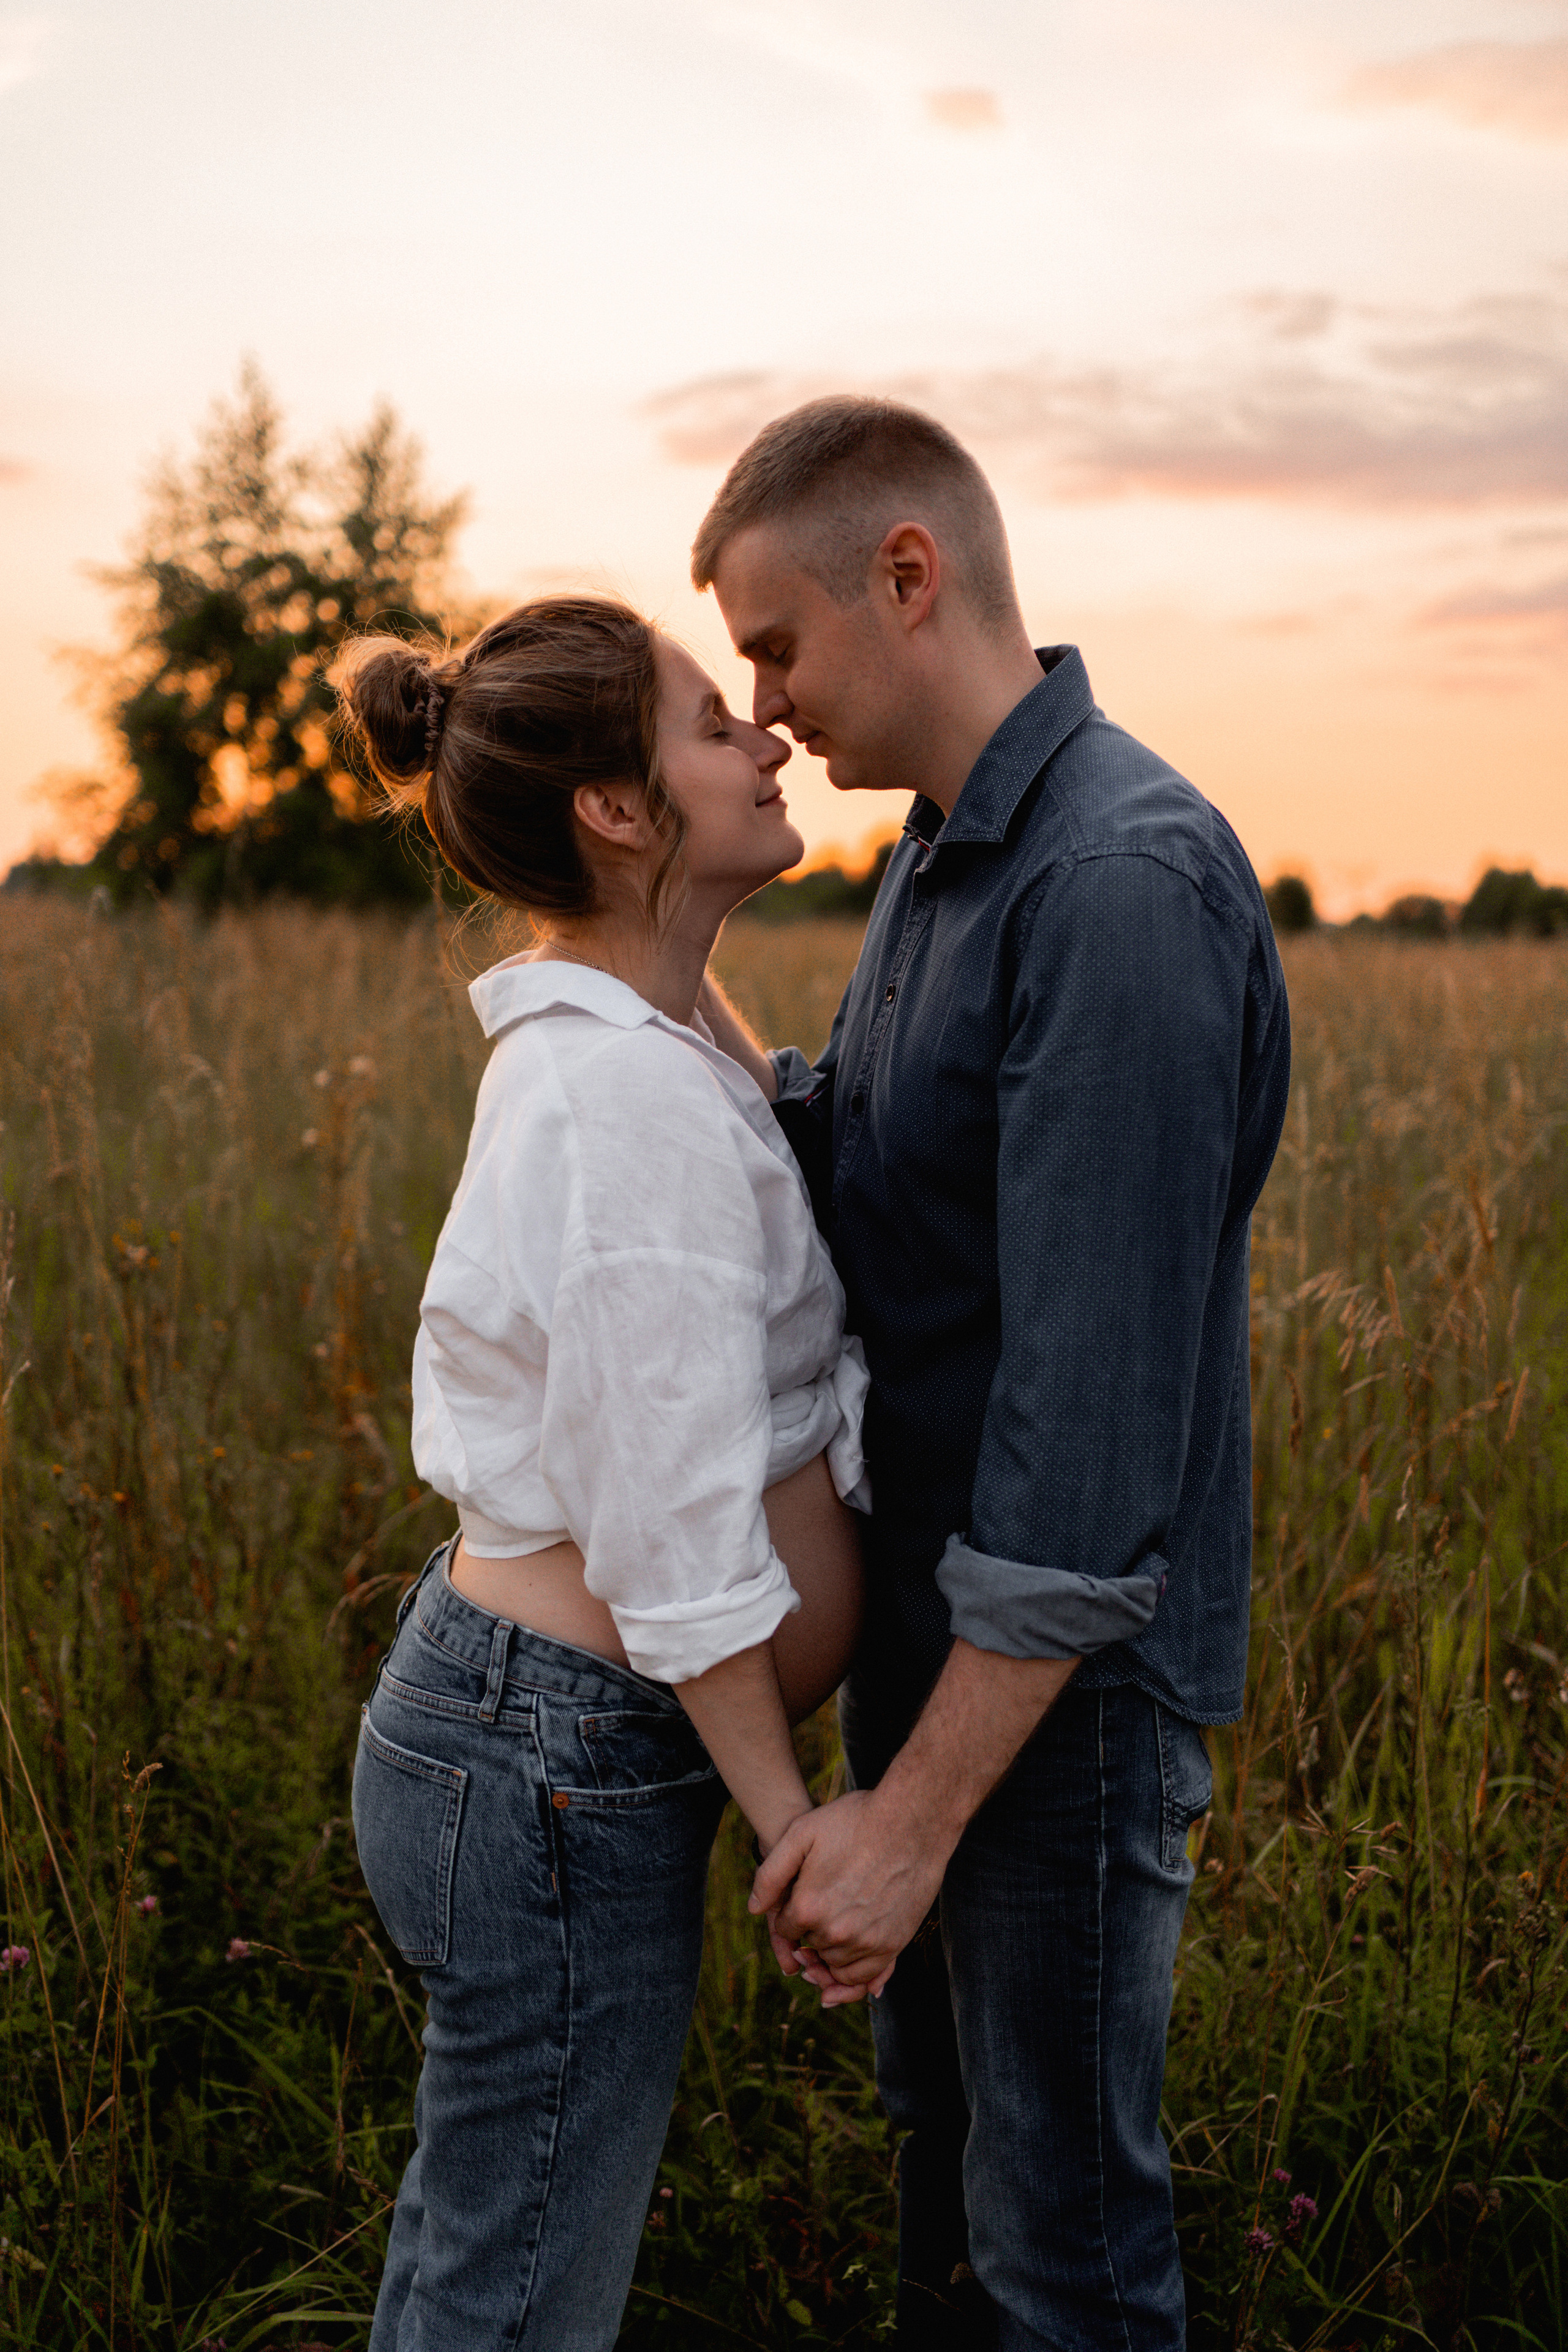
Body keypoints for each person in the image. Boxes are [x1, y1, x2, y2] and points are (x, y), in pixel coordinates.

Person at [688, 397, 1293, 2350]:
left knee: (1064, 2257)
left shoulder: (1118, 884)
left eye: (774, 646)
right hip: (942, 1657)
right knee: (950, 2211)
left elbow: (1093, 1439)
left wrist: (918, 1817)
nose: (765, 709)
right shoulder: (947, 858)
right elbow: (862, 1150)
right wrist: (633, 950)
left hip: (1060, 1703)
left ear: (910, 575)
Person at [333, 595, 873, 2351]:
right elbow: (669, 1517)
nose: (769, 734)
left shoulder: (636, 1043)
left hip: (537, 1744)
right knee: (517, 2303)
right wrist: (794, 1823)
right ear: (619, 811)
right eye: (716, 722)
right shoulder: (618, 1104)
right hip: (555, 1759)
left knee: (489, 2259)